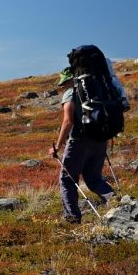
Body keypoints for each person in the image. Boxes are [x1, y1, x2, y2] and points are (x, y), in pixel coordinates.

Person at [48, 66, 122, 223]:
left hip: (79, 141)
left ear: (68, 80)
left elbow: (68, 121)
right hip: (100, 139)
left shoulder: (71, 93)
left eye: (63, 83)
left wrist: (58, 146)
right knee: (94, 179)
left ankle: (72, 218)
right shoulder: (95, 91)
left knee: (67, 180)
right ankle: (118, 205)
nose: (62, 87)